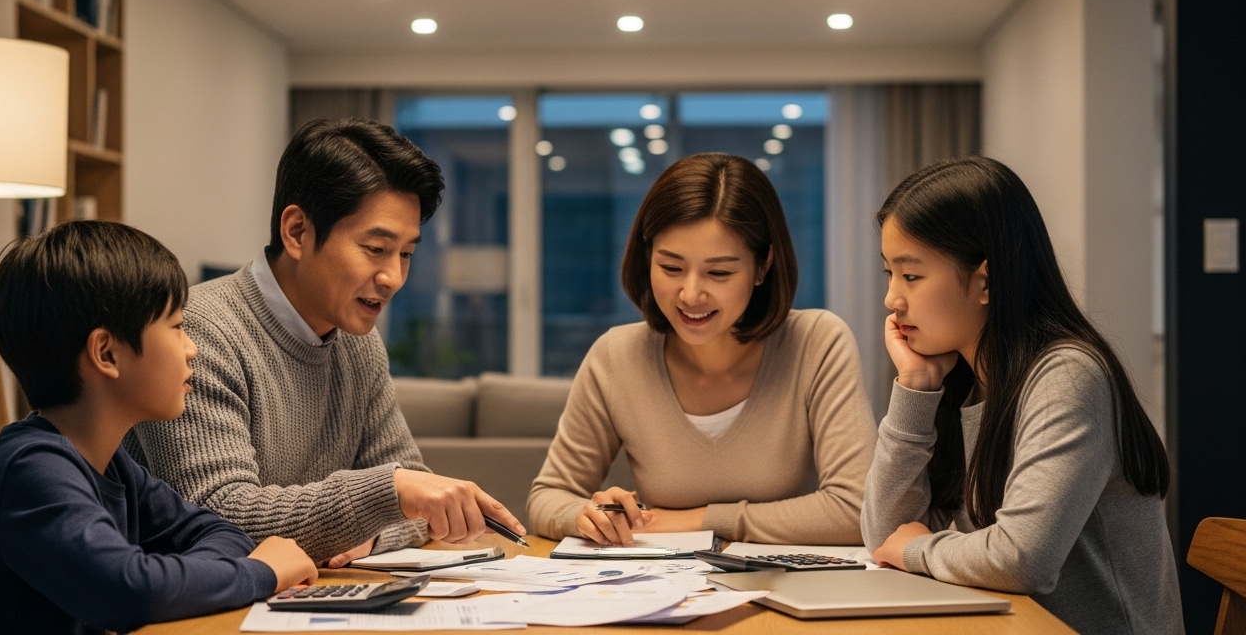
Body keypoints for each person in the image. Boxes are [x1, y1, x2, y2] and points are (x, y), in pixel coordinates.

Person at [129, 118, 525, 569]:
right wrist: (385, 495)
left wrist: (367, 536)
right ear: (297, 231)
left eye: (407, 253)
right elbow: (217, 517)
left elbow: (416, 502)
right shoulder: (199, 331)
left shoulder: (358, 345)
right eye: (376, 248)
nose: (393, 277)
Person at [0, 221, 317, 635]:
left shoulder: (112, 464)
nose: (191, 347)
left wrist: (208, 569)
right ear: (106, 353)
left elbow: (220, 532)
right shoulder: (30, 469)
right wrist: (260, 572)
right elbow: (130, 592)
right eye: (177, 326)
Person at [863, 156, 1183, 634]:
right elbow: (885, 532)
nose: (892, 298)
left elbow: (1022, 558)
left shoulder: (1067, 377)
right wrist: (915, 388)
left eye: (911, 276)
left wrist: (917, 549)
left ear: (985, 281)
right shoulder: (965, 379)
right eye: (889, 273)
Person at [528, 153, 876, 545]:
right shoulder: (616, 355)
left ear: (763, 268)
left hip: (789, 589)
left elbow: (857, 508)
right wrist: (586, 516)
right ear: (647, 259)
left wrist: (697, 521)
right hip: (659, 588)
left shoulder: (817, 342)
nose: (691, 294)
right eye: (671, 268)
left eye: (720, 272)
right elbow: (547, 497)